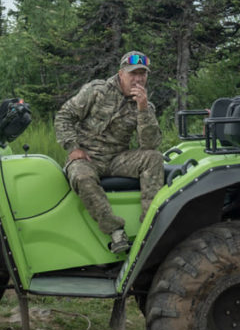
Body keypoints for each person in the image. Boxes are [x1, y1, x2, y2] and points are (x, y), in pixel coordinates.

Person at [54, 51, 164, 253]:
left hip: (116, 158)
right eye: (134, 74)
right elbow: (64, 116)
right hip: (87, 157)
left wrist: (142, 109)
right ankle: (115, 231)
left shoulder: (146, 105)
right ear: (121, 73)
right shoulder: (97, 91)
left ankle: (151, 226)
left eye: (143, 74)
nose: (139, 79)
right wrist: (73, 148)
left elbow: (150, 145)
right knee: (80, 176)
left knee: (154, 159)